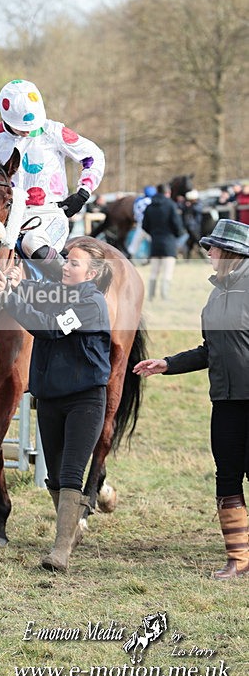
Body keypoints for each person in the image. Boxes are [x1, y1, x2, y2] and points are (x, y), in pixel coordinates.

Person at [133, 219, 249, 580]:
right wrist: (167, 364)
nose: (208, 253)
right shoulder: (215, 295)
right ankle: (239, 559)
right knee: (227, 475)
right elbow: (209, 350)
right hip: (225, 401)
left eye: (213, 248)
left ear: (232, 252)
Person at [0, 236, 112, 572]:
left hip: (85, 398)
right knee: (55, 475)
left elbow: (50, 328)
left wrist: (12, 298)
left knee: (72, 472)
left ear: (90, 275)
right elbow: (35, 300)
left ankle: (60, 550)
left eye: (74, 263)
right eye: (66, 260)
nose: (66, 266)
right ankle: (70, 532)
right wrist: (14, 286)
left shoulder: (92, 304)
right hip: (50, 397)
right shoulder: (56, 292)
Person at [0, 79, 106, 281]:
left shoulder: (53, 132)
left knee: (32, 242)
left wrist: (83, 193)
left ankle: (70, 287)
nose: (27, 131)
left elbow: (94, 156)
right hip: (7, 218)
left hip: (49, 214)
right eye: (21, 127)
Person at [142, 183, 184, 300]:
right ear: (167, 193)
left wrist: (154, 233)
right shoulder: (171, 205)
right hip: (169, 242)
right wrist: (177, 234)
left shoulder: (149, 206)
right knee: (167, 272)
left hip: (155, 242)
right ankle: (164, 296)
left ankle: (151, 295)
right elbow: (177, 224)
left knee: (154, 271)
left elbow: (145, 225)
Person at [127, 185, 156, 259]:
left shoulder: (139, 201)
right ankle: (151, 258)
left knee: (135, 243)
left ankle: (129, 257)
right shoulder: (152, 201)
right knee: (154, 242)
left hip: (140, 224)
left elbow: (135, 215)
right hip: (150, 225)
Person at [181, 189, 206, 260]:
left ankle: (206, 258)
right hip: (190, 227)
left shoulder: (198, 204)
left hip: (195, 227)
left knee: (198, 243)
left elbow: (198, 209)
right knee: (190, 244)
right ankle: (187, 259)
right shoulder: (187, 204)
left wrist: (190, 206)